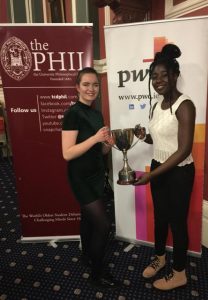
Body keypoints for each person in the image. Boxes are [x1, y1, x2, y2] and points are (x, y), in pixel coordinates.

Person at [134, 44, 196, 291]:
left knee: (177, 222)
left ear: (175, 75)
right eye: (154, 76)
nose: (158, 81)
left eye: (164, 75)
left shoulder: (185, 105)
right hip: (159, 165)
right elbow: (159, 139)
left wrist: (151, 176)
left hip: (179, 171)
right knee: (160, 218)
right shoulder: (156, 104)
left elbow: (183, 150)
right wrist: (143, 136)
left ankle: (179, 272)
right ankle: (160, 258)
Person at [61, 67, 117, 289]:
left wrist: (107, 145)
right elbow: (67, 153)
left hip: (96, 174)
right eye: (86, 84)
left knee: (87, 220)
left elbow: (100, 152)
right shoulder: (72, 113)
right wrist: (95, 138)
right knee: (103, 226)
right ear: (77, 87)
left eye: (95, 84)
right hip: (81, 178)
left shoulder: (97, 113)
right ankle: (97, 272)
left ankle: (87, 256)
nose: (91, 88)